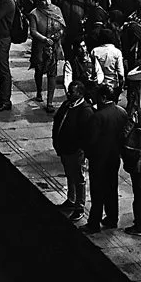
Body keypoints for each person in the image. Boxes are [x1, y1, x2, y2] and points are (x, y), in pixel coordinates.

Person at [80, 87, 132, 232]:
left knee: (97, 192)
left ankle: (94, 222)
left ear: (103, 97)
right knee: (111, 188)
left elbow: (91, 140)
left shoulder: (98, 117)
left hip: (99, 159)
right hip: (114, 157)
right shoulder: (121, 112)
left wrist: (88, 154)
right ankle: (112, 218)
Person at [51, 84, 95, 225]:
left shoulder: (85, 111)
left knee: (78, 178)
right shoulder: (67, 105)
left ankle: (79, 206)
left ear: (80, 93)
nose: (69, 93)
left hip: (75, 151)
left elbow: (86, 134)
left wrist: (80, 149)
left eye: (72, 92)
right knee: (70, 174)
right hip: (64, 148)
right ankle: (71, 199)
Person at [29, 0, 65, 107]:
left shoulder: (56, 10)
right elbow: (33, 31)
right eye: (44, 0)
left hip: (53, 46)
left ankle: (49, 102)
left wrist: (58, 35)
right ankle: (39, 91)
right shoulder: (34, 13)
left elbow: (62, 25)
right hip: (40, 47)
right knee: (39, 71)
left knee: (52, 73)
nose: (47, 2)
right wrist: (44, 39)